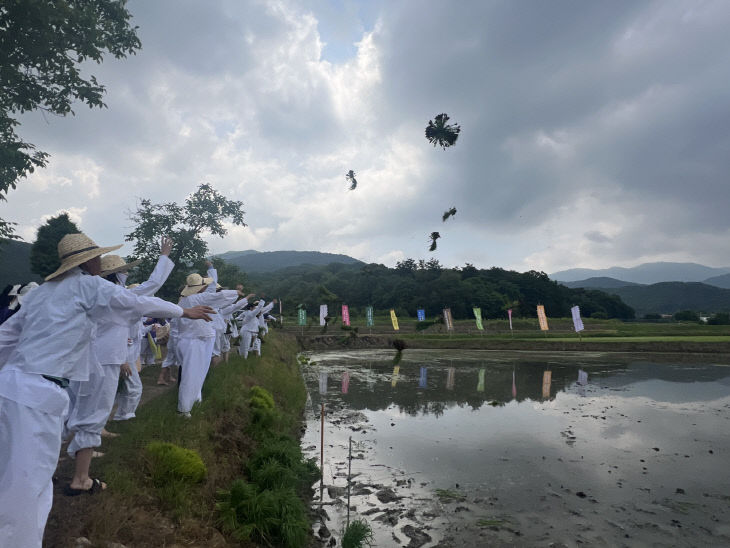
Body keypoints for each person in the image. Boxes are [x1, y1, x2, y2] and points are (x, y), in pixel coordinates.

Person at [0, 233, 214, 548]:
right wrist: (184, 312)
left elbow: (6, 336)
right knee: (29, 486)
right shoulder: (90, 286)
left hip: (11, 386)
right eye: (98, 257)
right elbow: (139, 301)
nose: (101, 263)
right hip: (38, 393)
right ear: (88, 261)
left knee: (11, 474)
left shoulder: (42, 292)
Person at [64, 237, 175, 493]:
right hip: (107, 358)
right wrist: (164, 255)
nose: (127, 274)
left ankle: (72, 457)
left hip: (84, 357)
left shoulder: (87, 293)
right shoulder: (117, 294)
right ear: (118, 275)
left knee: (76, 407)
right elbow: (154, 284)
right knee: (93, 410)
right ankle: (81, 476)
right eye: (125, 270)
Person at [176, 261, 241, 416]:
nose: (206, 287)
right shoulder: (194, 300)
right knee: (191, 375)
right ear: (200, 287)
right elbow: (216, 295)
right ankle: (183, 410)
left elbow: (212, 289)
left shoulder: (190, 299)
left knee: (197, 374)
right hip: (194, 341)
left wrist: (211, 269)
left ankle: (194, 403)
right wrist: (235, 293)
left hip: (198, 339)